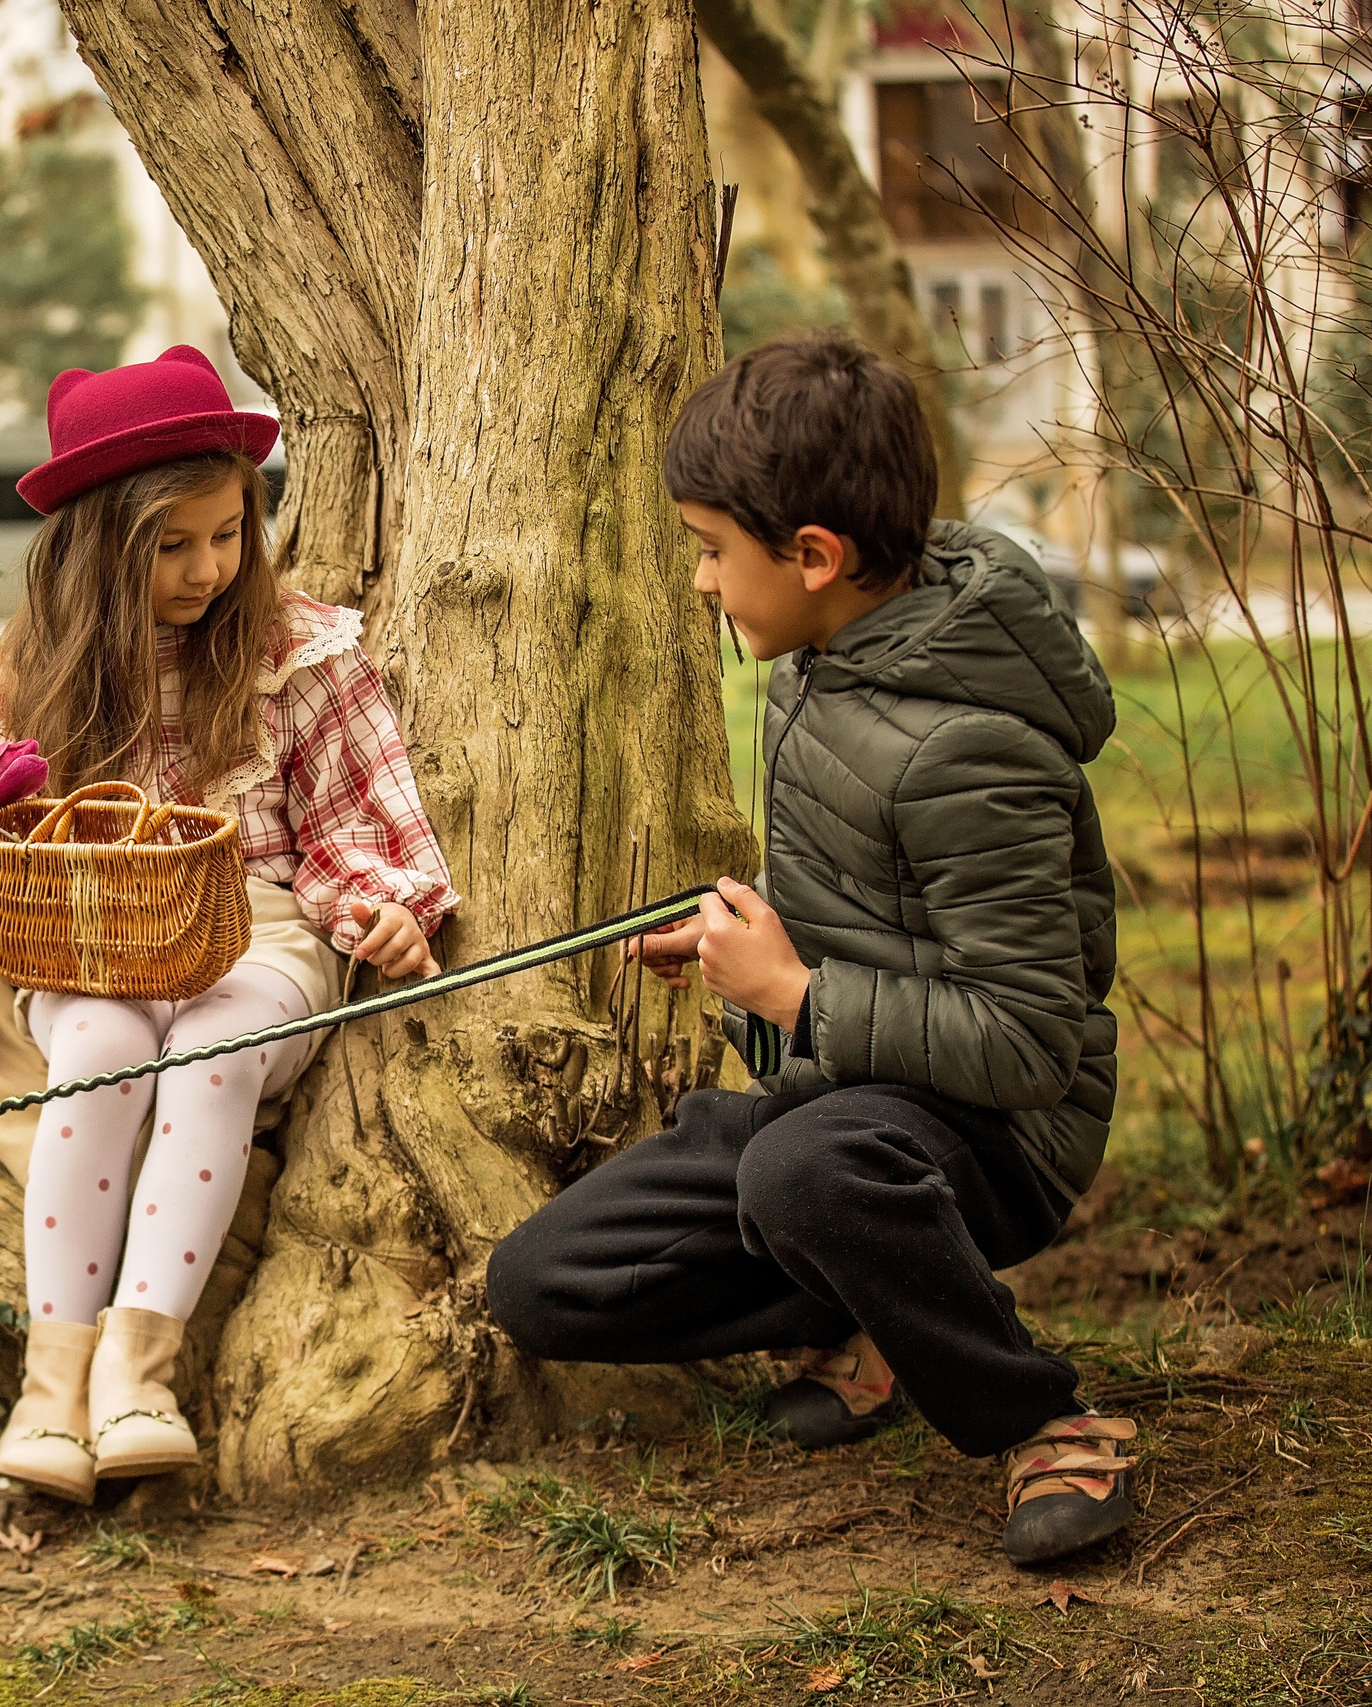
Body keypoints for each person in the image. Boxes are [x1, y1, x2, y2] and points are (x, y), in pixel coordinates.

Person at [484, 332, 1137, 1567]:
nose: (700, 582)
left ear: (816, 556)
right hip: (840, 1103)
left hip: (996, 1139)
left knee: (804, 1172)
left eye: (710, 550)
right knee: (541, 1282)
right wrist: (742, 949)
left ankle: (1044, 1421)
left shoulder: (970, 747)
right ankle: (880, 1307)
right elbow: (864, 905)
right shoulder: (824, 656)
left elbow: (1029, 1041)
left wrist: (793, 993)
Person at [0, 346, 458, 1504]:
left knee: (212, 1049)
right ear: (96, 549)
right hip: (95, 935)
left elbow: (349, 824)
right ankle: (50, 1391)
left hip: (257, 927)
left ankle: (136, 1375)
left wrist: (378, 913)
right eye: (171, 545)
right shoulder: (33, 675)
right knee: (100, 1050)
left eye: (226, 534)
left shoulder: (294, 656)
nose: (208, 568)